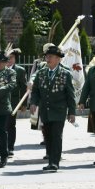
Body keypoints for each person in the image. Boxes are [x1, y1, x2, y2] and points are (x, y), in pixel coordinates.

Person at [29, 44, 76, 172]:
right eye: (47, 56)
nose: (48, 59)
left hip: (59, 110)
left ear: (58, 59)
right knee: (48, 136)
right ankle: (50, 159)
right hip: (45, 110)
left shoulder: (65, 74)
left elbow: (70, 95)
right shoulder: (41, 72)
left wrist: (72, 112)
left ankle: (55, 162)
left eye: (51, 56)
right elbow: (36, 91)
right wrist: (33, 103)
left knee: (56, 136)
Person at [6, 48, 28, 157]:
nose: (9, 60)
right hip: (0, 101)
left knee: (11, 125)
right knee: (1, 126)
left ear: (15, 59)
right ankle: (2, 147)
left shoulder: (20, 70)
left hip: (13, 102)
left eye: (12, 58)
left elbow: (24, 88)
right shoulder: (0, 68)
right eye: (8, 57)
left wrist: (24, 104)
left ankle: (10, 147)